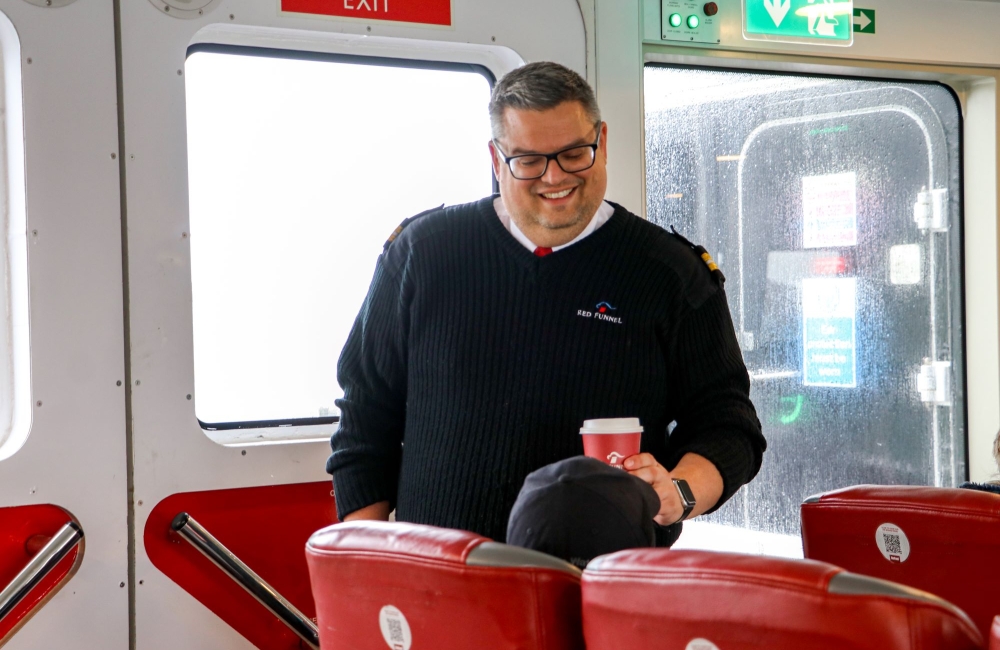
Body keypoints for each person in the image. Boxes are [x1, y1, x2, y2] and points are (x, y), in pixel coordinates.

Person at [326, 61, 766, 545]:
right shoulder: (422, 252)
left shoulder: (671, 272)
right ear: (496, 160)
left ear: (602, 141)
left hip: (605, 585)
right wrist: (367, 552)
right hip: (443, 580)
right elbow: (366, 411)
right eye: (529, 160)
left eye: (574, 153)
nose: (554, 177)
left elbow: (730, 428)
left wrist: (677, 492)